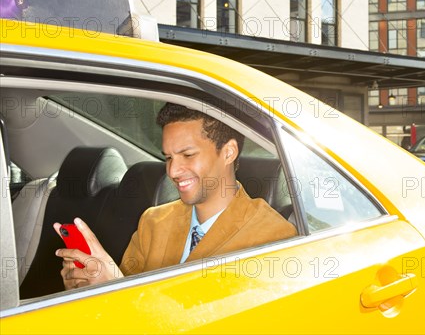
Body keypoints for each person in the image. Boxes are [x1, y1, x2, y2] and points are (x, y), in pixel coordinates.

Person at [54, 103, 297, 289]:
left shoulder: (273, 237)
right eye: (169, 157)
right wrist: (85, 288)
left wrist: (112, 286)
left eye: (188, 155)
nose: (172, 170)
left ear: (228, 152)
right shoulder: (152, 221)